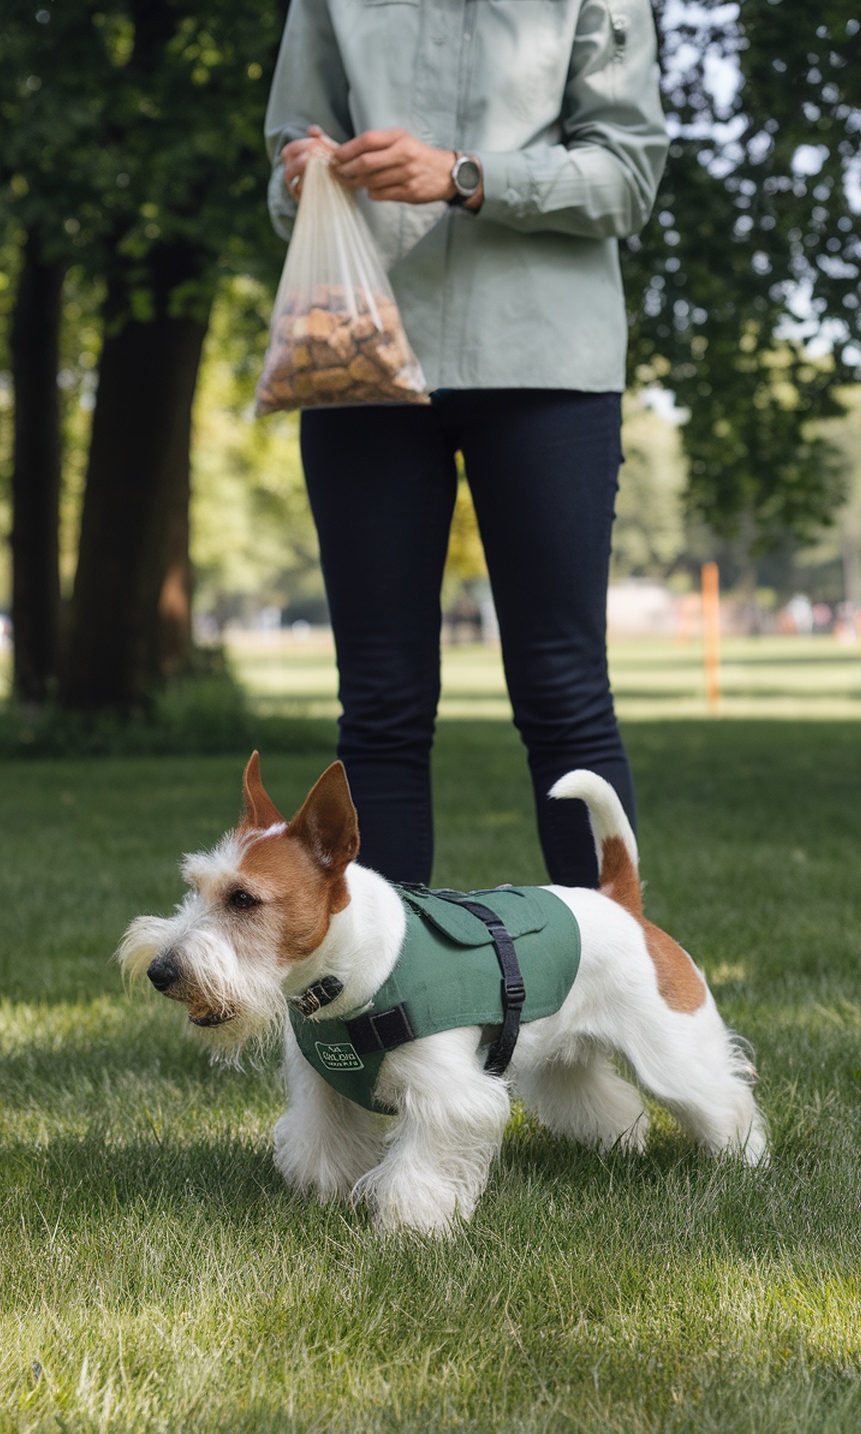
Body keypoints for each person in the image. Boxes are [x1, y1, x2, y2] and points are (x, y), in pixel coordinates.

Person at [264, 0, 668, 888]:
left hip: (546, 365)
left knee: (565, 693)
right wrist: (300, 174)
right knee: (378, 705)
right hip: (358, 351)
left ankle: (614, 999)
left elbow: (629, 177)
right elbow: (283, 160)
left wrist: (467, 175)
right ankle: (383, 1007)